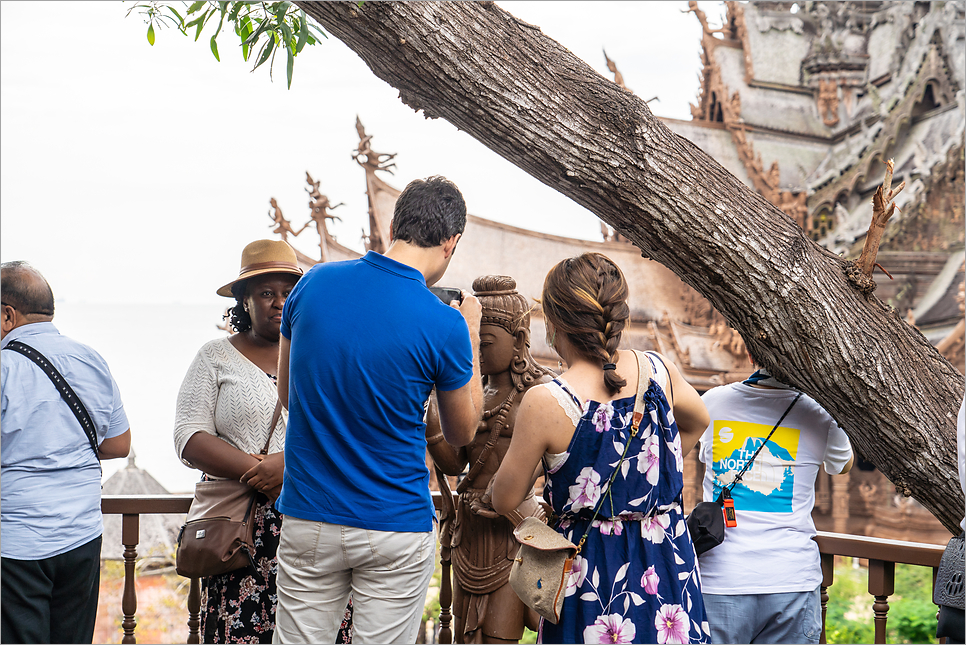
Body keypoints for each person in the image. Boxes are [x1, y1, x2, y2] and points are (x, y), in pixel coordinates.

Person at [274, 175, 484, 643]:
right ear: (452, 243)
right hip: (394, 523)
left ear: (393, 225)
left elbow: (289, 396)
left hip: (311, 514)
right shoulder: (444, 323)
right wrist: (469, 330)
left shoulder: (311, 285)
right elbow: (462, 431)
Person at [492, 252, 712, 644]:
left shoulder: (548, 400)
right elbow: (698, 420)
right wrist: (652, 466)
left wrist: (560, 472)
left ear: (554, 323)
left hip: (591, 571)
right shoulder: (658, 369)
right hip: (666, 562)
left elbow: (503, 497)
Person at [173, 240, 352, 643]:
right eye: (266, 293)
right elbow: (188, 435)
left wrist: (287, 467)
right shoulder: (214, 357)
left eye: (288, 293)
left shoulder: (321, 356)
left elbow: (345, 431)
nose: (278, 302)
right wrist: (260, 470)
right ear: (244, 300)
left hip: (313, 522)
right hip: (241, 532)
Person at [1, 261, 132, 644]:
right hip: (82, 534)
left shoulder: (6, 367)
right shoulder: (91, 359)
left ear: (7, 315)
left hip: (18, 542)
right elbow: (118, 444)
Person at [426, 275, 553, 644]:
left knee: (498, 635)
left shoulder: (541, 390)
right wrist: (436, 401)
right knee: (466, 637)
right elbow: (453, 464)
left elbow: (559, 462)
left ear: (519, 341)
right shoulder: (472, 390)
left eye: (484, 343)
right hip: (470, 532)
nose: (476, 352)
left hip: (513, 532)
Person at [696, 359, 854, 644]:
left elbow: (702, 455)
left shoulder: (713, 402)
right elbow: (842, 465)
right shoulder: (820, 413)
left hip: (720, 579)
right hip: (791, 578)